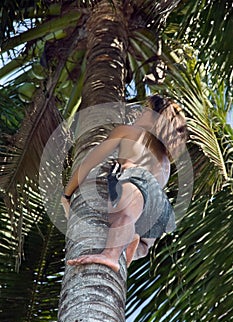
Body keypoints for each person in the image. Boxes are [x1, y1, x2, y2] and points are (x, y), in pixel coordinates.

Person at [61, 95, 187, 272]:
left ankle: (110, 255)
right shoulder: (166, 162)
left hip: (137, 184)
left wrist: (67, 194)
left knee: (122, 216)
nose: (139, 113)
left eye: (144, 110)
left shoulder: (129, 132)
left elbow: (89, 162)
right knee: (139, 242)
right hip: (160, 209)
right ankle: (133, 241)